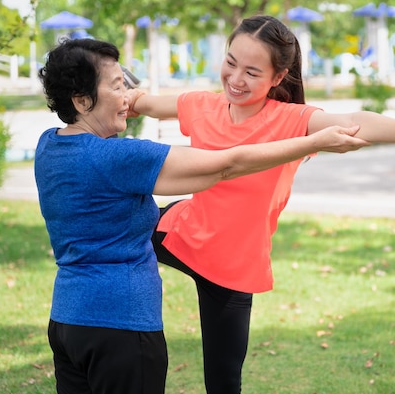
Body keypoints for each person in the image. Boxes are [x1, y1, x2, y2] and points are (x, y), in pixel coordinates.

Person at [127, 15, 395, 393]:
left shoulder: (291, 120)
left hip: (231, 266)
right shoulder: (202, 105)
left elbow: (355, 121)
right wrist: (123, 94)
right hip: (183, 232)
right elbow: (148, 105)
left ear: (277, 77)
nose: (236, 79)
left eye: (252, 72)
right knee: (115, 229)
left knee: (223, 382)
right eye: (231, 62)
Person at [34, 37, 369, 394]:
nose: (127, 97)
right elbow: (227, 165)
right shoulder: (117, 158)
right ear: (82, 100)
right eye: (117, 87)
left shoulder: (48, 144)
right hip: (122, 329)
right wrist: (314, 142)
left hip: (67, 323)